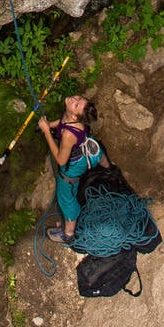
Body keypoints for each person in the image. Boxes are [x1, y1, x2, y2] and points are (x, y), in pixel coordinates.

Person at [38, 93, 104, 242]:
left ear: (75, 116)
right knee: (70, 191)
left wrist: (47, 132)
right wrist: (50, 125)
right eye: (78, 98)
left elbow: (61, 160)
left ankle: (68, 234)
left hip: (72, 168)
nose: (75, 99)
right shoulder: (70, 116)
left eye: (76, 104)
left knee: (65, 198)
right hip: (81, 155)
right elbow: (62, 122)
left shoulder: (69, 134)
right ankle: (107, 166)